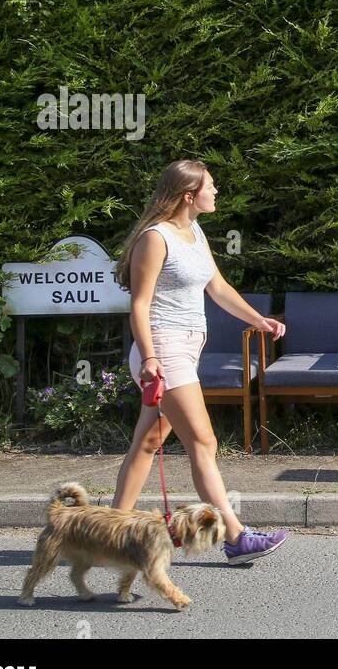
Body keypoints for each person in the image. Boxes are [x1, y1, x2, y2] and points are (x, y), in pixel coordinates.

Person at [113, 159, 288, 564]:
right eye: (211, 186)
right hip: (163, 348)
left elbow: (218, 286)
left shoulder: (194, 231)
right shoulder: (155, 239)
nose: (216, 191)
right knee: (204, 442)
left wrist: (257, 319)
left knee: (148, 443)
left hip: (188, 348)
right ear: (189, 195)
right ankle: (236, 537)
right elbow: (138, 305)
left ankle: (111, 533)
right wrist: (151, 357)